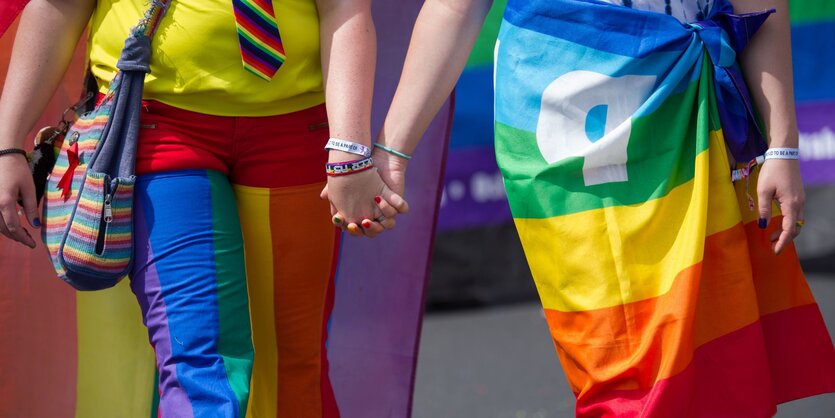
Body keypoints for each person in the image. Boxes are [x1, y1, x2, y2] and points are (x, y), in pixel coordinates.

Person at [342, 0, 835, 415]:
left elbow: (759, 5)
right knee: (618, 372)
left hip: (691, 113)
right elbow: (455, 7)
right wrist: (392, 151)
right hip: (558, 136)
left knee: (715, 356)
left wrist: (782, 145)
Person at [0, 0, 404, 416]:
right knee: (199, 362)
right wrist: (7, 143)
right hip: (160, 126)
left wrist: (349, 153)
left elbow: (345, 10)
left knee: (292, 366)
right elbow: (57, 6)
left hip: (295, 129)